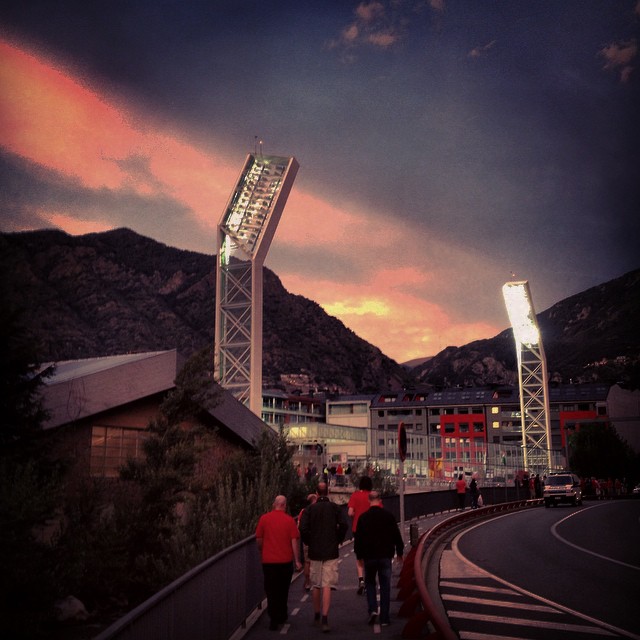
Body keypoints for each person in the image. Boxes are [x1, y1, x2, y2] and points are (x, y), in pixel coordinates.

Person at [299, 481, 347, 633]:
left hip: (315, 551)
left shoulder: (310, 509)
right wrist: (338, 539)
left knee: (316, 584)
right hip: (331, 550)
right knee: (327, 584)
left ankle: (317, 614)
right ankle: (325, 618)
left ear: (317, 493)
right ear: (328, 492)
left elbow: (303, 528)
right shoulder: (335, 508)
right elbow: (344, 525)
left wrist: (309, 541)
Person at [354, 491, 404, 627]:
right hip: (385, 556)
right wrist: (399, 552)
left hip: (369, 556)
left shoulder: (363, 518)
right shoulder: (388, 517)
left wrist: (359, 556)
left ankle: (372, 610)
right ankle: (385, 618)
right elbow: (396, 535)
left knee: (370, 583)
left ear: (369, 500)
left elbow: (358, 539)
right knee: (385, 586)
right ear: (380, 500)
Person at [255, 495, 302, 631]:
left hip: (268, 561)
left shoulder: (264, 519)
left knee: (271, 590)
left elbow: (258, 538)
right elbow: (294, 541)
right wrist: (297, 560)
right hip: (285, 562)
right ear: (284, 505)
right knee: (283, 590)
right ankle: (282, 614)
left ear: (274, 504)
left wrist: (262, 549)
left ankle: (273, 618)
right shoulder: (289, 521)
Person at [347, 475, 373, 594]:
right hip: (370, 530)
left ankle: (361, 580)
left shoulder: (355, 495)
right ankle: (368, 580)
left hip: (357, 529)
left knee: (359, 556)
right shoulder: (373, 496)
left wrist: (356, 515)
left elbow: (350, 512)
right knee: (370, 555)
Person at [297, 492, 318, 591]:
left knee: (307, 561)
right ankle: (316, 582)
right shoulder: (319, 510)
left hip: (307, 540)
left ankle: (308, 582)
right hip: (318, 539)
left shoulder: (304, 511)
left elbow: (299, 526)